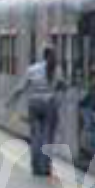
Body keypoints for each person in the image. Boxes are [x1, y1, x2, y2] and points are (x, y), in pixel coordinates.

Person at [8, 48, 58, 177]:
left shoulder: (32, 69)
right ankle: (46, 167)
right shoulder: (56, 70)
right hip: (49, 106)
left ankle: (36, 167)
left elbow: (21, 87)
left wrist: (11, 100)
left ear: (42, 56)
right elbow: (62, 85)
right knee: (47, 137)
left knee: (36, 136)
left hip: (34, 105)